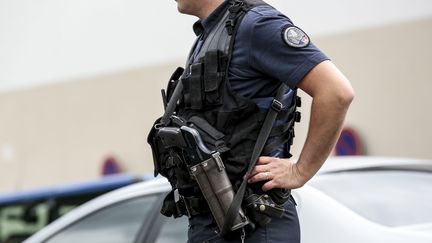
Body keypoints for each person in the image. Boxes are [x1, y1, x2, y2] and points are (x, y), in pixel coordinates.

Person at [162, 0, 353, 242]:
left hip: (254, 223)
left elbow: (336, 92)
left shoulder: (256, 25)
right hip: (215, 221)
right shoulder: (212, 32)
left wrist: (301, 170)